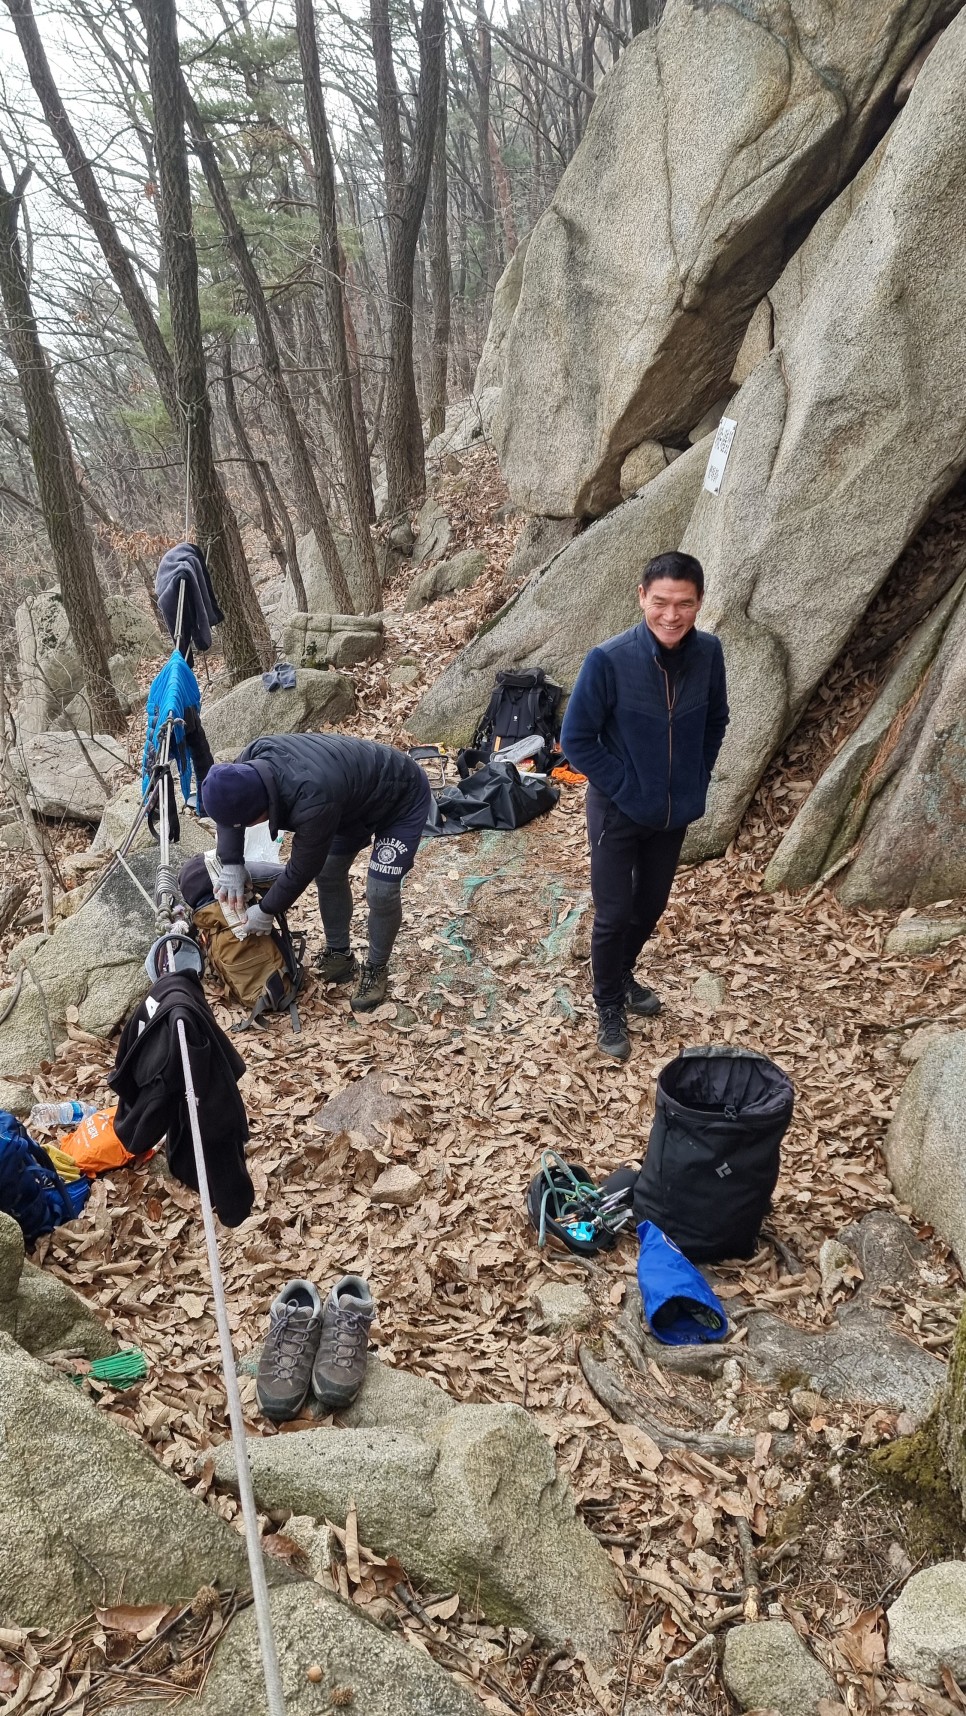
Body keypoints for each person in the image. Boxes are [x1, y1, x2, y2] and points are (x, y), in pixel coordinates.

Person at [560, 551, 729, 1061]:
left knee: (650, 905)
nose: (671, 615)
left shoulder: (709, 654)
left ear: (699, 603)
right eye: (660, 603)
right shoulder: (609, 660)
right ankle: (608, 1000)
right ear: (641, 598)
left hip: (673, 812)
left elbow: (716, 720)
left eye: (684, 604)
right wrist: (627, 788)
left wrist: (694, 776)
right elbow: (576, 739)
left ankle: (620, 972)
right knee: (613, 914)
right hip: (618, 812)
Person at [201, 734, 432, 1013]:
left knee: (381, 891)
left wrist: (266, 910)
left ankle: (376, 968)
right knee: (329, 873)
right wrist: (232, 863)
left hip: (400, 796)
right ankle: (339, 956)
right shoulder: (247, 762)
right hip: (349, 803)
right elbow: (229, 810)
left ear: (261, 813)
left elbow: (303, 866)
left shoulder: (312, 796)